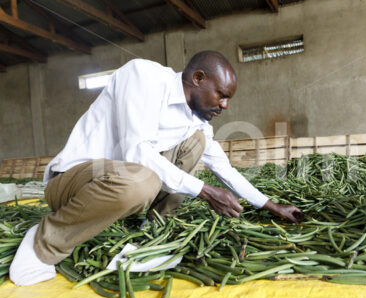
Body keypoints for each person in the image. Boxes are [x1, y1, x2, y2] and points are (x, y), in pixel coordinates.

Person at [9, 51, 303, 286]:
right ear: (198, 78)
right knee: (142, 180)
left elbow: (223, 167)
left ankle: (152, 231)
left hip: (116, 181)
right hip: (72, 181)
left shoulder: (195, 120)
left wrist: (270, 205)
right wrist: (204, 191)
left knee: (195, 143)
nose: (225, 106)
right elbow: (136, 151)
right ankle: (44, 242)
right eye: (222, 95)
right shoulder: (144, 77)